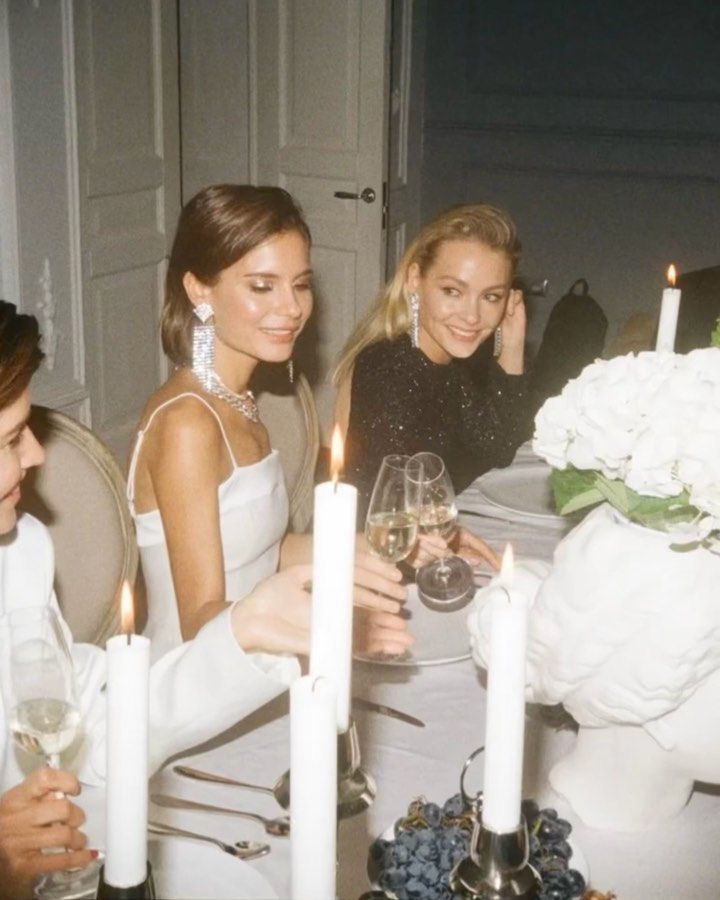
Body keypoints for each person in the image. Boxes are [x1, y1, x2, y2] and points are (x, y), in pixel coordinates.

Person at [0, 301, 314, 899]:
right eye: (14, 438)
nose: (38, 456)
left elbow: (88, 725)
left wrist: (243, 634)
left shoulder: (22, 550)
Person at [128, 184, 411, 661]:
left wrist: (381, 544)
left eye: (300, 284)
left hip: (260, 657)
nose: (292, 308)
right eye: (262, 286)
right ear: (199, 289)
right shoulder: (187, 425)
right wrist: (330, 622)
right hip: (195, 685)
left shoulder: (238, 399)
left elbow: (264, 552)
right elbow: (200, 620)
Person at [334, 204, 533, 543]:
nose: (472, 316)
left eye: (491, 297)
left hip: (416, 545)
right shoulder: (389, 367)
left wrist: (513, 345)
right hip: (361, 565)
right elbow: (385, 518)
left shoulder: (450, 359)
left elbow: (499, 447)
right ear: (415, 280)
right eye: (452, 291)